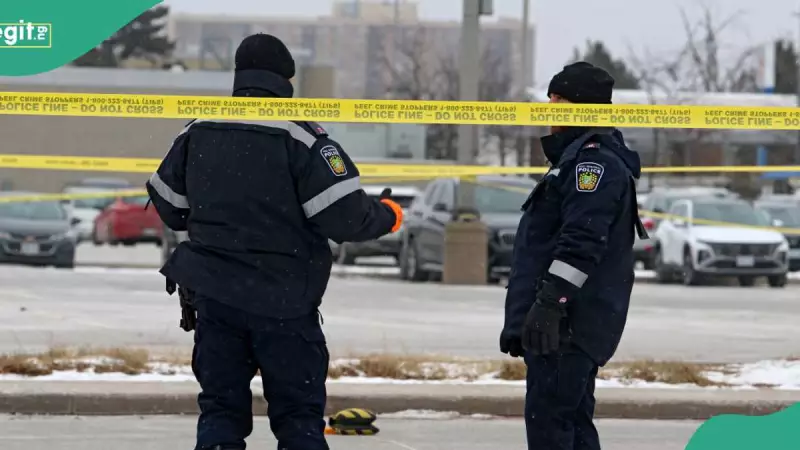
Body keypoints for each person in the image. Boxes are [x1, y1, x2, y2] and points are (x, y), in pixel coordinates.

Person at [145, 33, 404, 450]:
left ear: (238, 77)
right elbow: (345, 217)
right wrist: (388, 216)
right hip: (283, 303)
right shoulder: (300, 136)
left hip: (215, 300)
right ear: (286, 80)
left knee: (220, 413)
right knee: (298, 417)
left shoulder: (200, 127)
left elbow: (169, 205)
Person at [499, 61, 649, 450]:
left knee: (553, 431)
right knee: (574, 429)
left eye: (559, 101)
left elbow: (581, 243)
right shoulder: (573, 160)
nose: (549, 110)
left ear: (581, 107)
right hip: (564, 327)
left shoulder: (592, 164)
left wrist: (550, 305)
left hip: (567, 328)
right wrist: (523, 317)